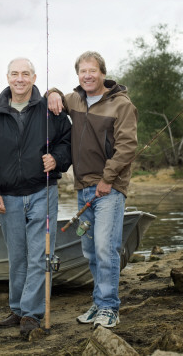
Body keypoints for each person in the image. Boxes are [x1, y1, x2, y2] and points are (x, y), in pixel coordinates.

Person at [0, 58, 71, 339]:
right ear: (7, 77)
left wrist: (56, 159)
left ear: (33, 77)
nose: (20, 79)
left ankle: (32, 313)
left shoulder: (50, 109)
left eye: (25, 74)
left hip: (43, 191)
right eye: (15, 74)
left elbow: (67, 140)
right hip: (8, 195)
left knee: (41, 255)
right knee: (17, 256)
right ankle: (17, 308)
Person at [47, 51, 137, 329]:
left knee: (105, 247)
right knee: (89, 250)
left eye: (93, 71)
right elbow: (55, 97)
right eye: (83, 71)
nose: (87, 75)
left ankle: (110, 307)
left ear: (102, 73)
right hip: (83, 188)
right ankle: (98, 302)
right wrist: (52, 91)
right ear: (78, 75)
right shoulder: (75, 100)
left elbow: (127, 147)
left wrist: (108, 179)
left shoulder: (121, 105)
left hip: (109, 189)